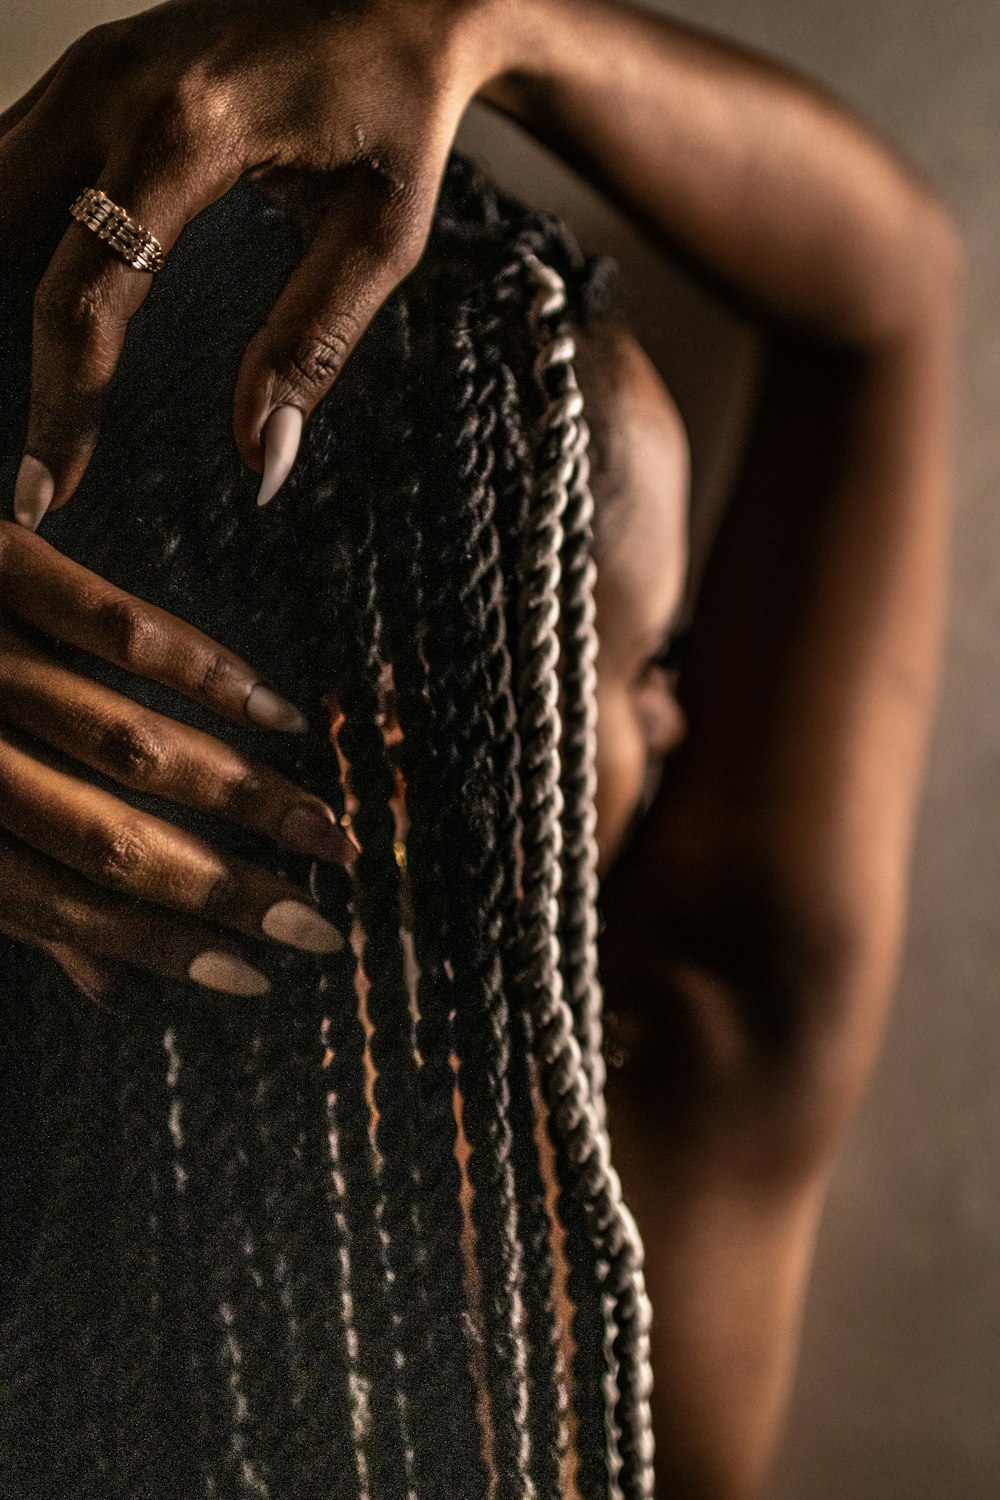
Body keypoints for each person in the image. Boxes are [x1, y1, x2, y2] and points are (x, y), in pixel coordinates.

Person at [0, 2, 961, 1497]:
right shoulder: (700, 1048)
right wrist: (494, 35)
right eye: (650, 664)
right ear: (406, 747)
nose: (678, 719)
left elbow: (892, 285)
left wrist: (454, 25)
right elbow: (890, 285)